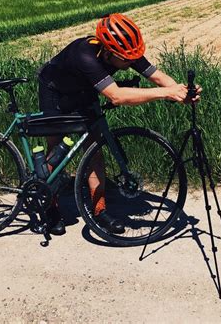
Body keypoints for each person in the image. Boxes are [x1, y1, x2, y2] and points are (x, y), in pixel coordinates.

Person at [37, 12, 201, 235]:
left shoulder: (126, 52)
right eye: (125, 59)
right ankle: (49, 206)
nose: (130, 62)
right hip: (55, 91)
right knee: (56, 150)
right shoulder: (84, 55)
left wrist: (181, 92)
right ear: (107, 51)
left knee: (94, 150)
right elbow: (116, 96)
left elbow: (158, 77)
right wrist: (166, 93)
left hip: (85, 89)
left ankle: (99, 210)